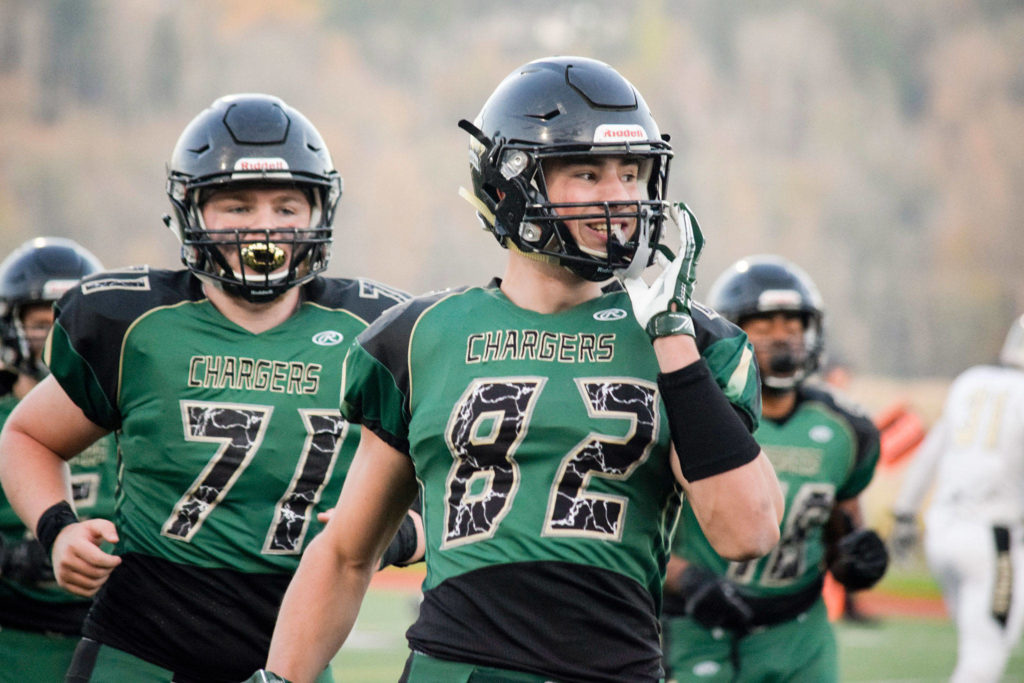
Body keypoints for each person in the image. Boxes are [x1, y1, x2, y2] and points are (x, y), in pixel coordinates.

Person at [256, 55, 784, 683]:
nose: (617, 195)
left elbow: (748, 532)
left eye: (631, 172)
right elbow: (346, 554)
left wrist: (670, 336)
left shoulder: (693, 340)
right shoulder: (420, 336)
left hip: (613, 668)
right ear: (512, 184)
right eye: (586, 172)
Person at [0, 94, 413, 682]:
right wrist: (57, 526)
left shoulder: (370, 332)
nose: (264, 226)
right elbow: (28, 436)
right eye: (237, 206)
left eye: (286, 205)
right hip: (142, 642)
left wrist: (402, 533)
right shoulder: (136, 325)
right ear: (191, 214)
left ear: (320, 210)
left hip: (295, 645)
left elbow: (441, 468)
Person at [662, 255, 888, 682]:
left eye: (792, 323)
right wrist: (688, 580)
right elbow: (643, 532)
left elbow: (841, 529)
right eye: (763, 324)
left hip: (798, 626)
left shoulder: (847, 428)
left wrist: (858, 556)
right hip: (698, 624)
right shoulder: (692, 417)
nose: (782, 337)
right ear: (730, 329)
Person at [0, 237, 117, 682]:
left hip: (111, 627)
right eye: (41, 323)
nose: (59, 339)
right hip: (15, 627)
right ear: (12, 327)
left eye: (69, 320)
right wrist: (12, 558)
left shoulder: (126, 406)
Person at [890, 314, 1024, 683]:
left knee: (978, 639)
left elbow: (932, 452)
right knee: (987, 653)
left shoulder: (972, 382)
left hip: (941, 531)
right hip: (992, 540)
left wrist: (904, 512)